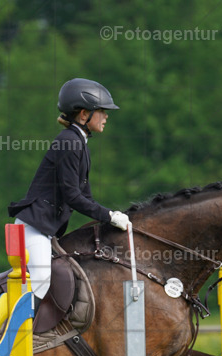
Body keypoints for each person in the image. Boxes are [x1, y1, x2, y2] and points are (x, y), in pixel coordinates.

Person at [8, 78, 132, 302]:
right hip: (33, 228)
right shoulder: (69, 142)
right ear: (84, 114)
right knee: (42, 279)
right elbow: (72, 196)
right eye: (102, 111)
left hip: (45, 229)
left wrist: (109, 220)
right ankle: (14, 335)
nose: (106, 116)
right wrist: (109, 216)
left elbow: (86, 197)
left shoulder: (78, 142)